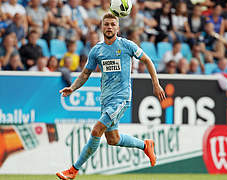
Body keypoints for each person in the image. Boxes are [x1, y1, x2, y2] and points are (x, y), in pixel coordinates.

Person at [56, 13, 166, 180]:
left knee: (96, 130)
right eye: (106, 24)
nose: (109, 27)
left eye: (112, 24)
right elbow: (86, 73)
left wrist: (155, 84)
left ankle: (73, 170)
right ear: (102, 27)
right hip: (105, 100)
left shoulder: (127, 45)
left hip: (121, 98)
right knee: (113, 139)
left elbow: (148, 61)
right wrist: (73, 88)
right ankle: (145, 145)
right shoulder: (97, 50)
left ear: (118, 28)